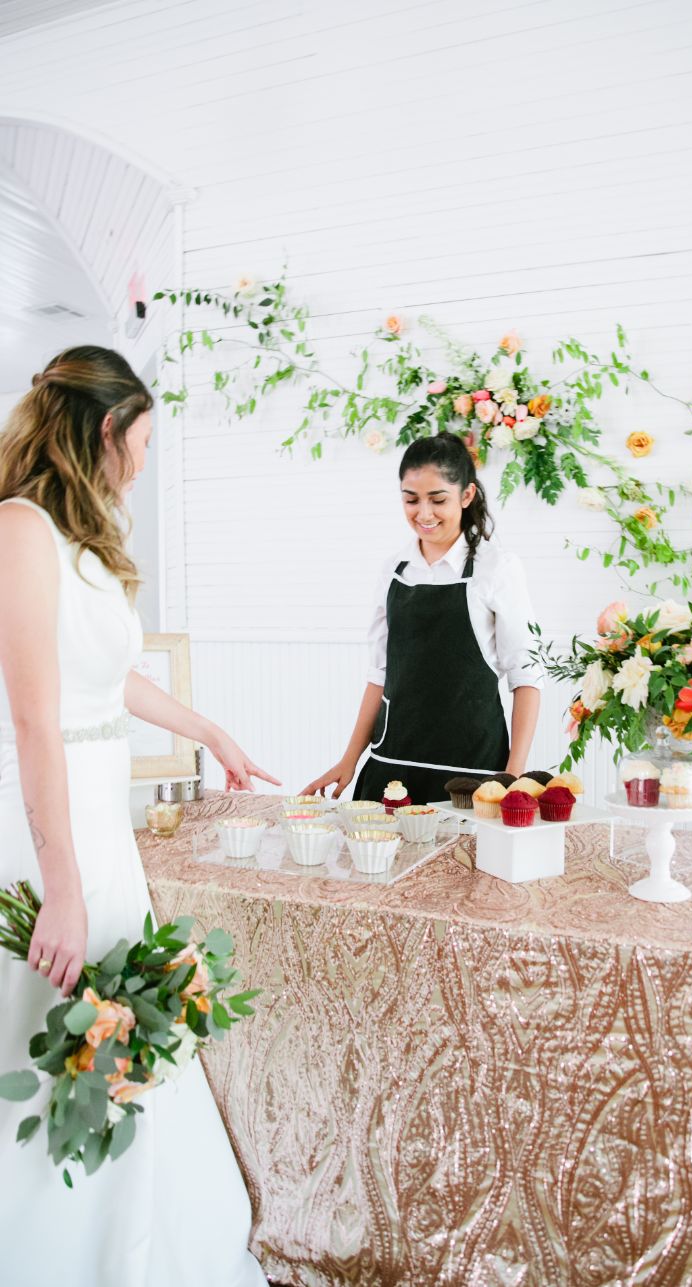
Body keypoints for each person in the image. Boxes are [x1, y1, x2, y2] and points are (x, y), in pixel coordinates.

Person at [0, 347, 276, 1287]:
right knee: (50, 1023)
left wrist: (212, 733)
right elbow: (36, 715)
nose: (147, 461)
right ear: (108, 429)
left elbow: (108, 677)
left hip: (101, 825)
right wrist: (63, 886)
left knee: (117, 1026)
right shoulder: (20, 529)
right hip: (51, 827)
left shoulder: (83, 537)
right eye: (146, 440)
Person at [304, 432, 542, 805]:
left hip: (473, 773)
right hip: (392, 765)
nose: (424, 514)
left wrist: (511, 776)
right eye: (411, 500)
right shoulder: (394, 570)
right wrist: (349, 760)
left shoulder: (497, 568)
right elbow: (380, 675)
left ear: (466, 496)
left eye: (438, 499)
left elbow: (526, 677)